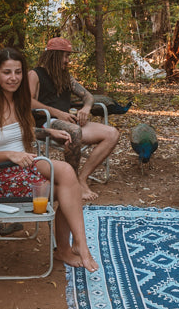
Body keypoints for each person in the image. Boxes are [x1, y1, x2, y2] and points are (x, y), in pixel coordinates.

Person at [0, 47, 99, 273]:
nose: (13, 78)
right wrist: (11, 155)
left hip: (25, 165)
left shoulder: (19, 102)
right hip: (1, 175)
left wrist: (47, 133)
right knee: (68, 191)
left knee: (67, 173)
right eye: (7, 72)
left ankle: (78, 244)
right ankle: (66, 248)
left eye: (18, 72)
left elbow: (18, 133)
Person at [29, 37, 120, 203]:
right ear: (55, 56)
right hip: (46, 123)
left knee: (112, 133)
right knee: (75, 131)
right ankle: (71, 183)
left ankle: (81, 179)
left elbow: (88, 96)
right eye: (65, 56)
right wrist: (58, 113)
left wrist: (86, 108)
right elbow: (28, 102)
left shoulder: (65, 77)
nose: (68, 60)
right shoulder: (35, 74)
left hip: (69, 123)